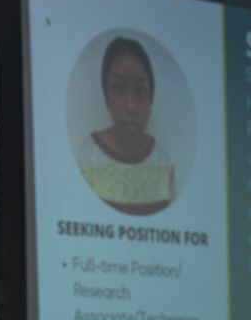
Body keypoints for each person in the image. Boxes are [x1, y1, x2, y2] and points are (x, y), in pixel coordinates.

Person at [74, 35, 176, 216]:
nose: (131, 106)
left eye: (141, 91)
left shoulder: (163, 162)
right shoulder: (87, 158)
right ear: (106, 98)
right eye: (119, 89)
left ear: (150, 101)